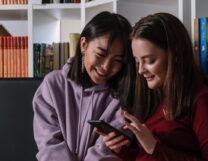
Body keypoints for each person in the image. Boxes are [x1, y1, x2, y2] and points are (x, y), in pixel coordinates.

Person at [100, 12, 208, 161]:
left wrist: (154, 148)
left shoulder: (202, 101)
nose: (141, 70)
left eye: (149, 60)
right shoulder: (153, 97)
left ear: (175, 55)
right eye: (137, 62)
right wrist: (121, 150)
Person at [32, 11, 135, 161]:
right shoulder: (52, 85)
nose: (106, 67)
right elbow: (49, 146)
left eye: (117, 60)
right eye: (100, 55)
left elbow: (107, 153)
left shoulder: (124, 94)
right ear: (83, 45)